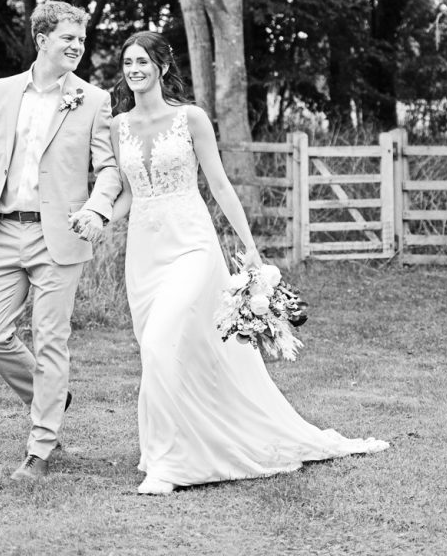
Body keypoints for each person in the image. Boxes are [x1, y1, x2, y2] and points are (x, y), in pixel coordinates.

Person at [74, 29, 389, 494]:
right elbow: (126, 193)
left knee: (160, 342)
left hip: (192, 246)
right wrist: (97, 218)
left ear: (162, 66)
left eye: (142, 61)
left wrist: (252, 249)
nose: (134, 70)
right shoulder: (119, 126)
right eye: (127, 63)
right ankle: (169, 444)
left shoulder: (191, 118)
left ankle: (169, 466)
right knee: (159, 350)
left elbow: (219, 185)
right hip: (143, 252)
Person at [0, 0, 122, 481]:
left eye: (82, 40)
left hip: (59, 236)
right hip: (2, 231)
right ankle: (53, 395)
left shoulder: (93, 99)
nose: (77, 46)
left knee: (51, 342)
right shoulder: (0, 92)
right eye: (68, 38)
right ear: (41, 40)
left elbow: (108, 170)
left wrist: (97, 208)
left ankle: (40, 448)